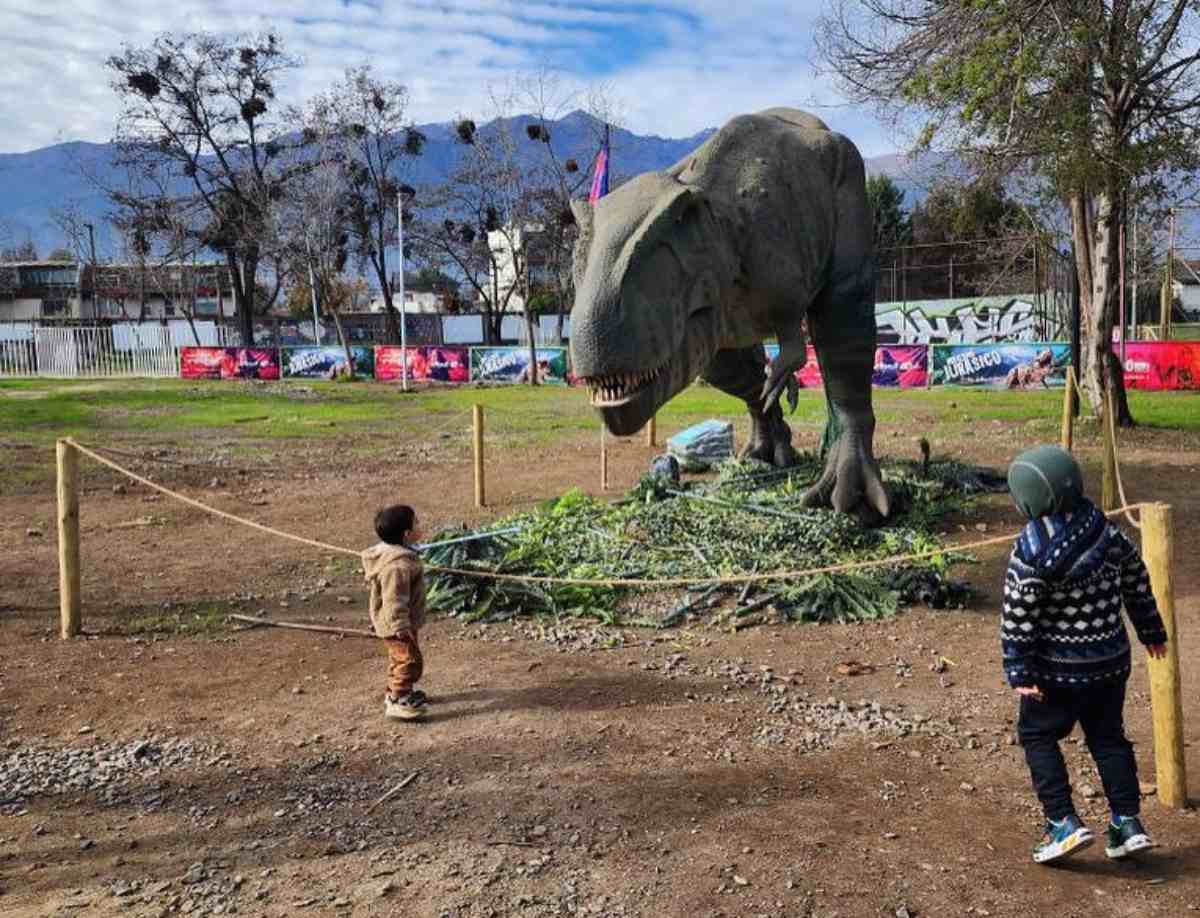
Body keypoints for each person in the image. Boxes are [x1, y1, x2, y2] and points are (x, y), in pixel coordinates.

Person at [1002, 446, 1168, 865]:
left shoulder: (1032, 547)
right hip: (1109, 664)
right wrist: (1150, 630)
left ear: (1028, 499)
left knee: (1038, 736)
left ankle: (1062, 822)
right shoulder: (1106, 530)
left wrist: (1018, 667)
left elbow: (1018, 613)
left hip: (1055, 673)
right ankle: (1127, 823)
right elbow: (1136, 579)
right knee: (1109, 738)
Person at [362, 505, 428, 721]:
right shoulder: (396, 567)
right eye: (417, 522)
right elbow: (394, 601)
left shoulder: (399, 554)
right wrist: (400, 627)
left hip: (401, 622)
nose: (420, 525)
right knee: (408, 660)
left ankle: (395, 691)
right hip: (397, 624)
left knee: (398, 658)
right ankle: (399, 699)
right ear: (406, 535)